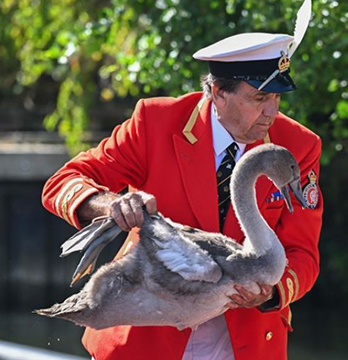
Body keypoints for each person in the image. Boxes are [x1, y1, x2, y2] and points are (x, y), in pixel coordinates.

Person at [41, 1, 322, 359]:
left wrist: (271, 291)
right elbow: (64, 181)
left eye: (278, 97)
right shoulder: (155, 122)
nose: (272, 111)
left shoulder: (299, 146)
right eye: (259, 97)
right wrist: (111, 205)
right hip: (147, 337)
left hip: (244, 340)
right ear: (218, 92)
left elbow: (304, 254)